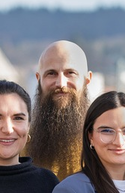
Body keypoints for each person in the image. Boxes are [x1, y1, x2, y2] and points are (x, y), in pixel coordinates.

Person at [29, 40, 93, 179]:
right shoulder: (21, 143)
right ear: (38, 79)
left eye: (70, 73)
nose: (61, 83)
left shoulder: (104, 142)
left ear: (87, 79)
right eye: (51, 73)